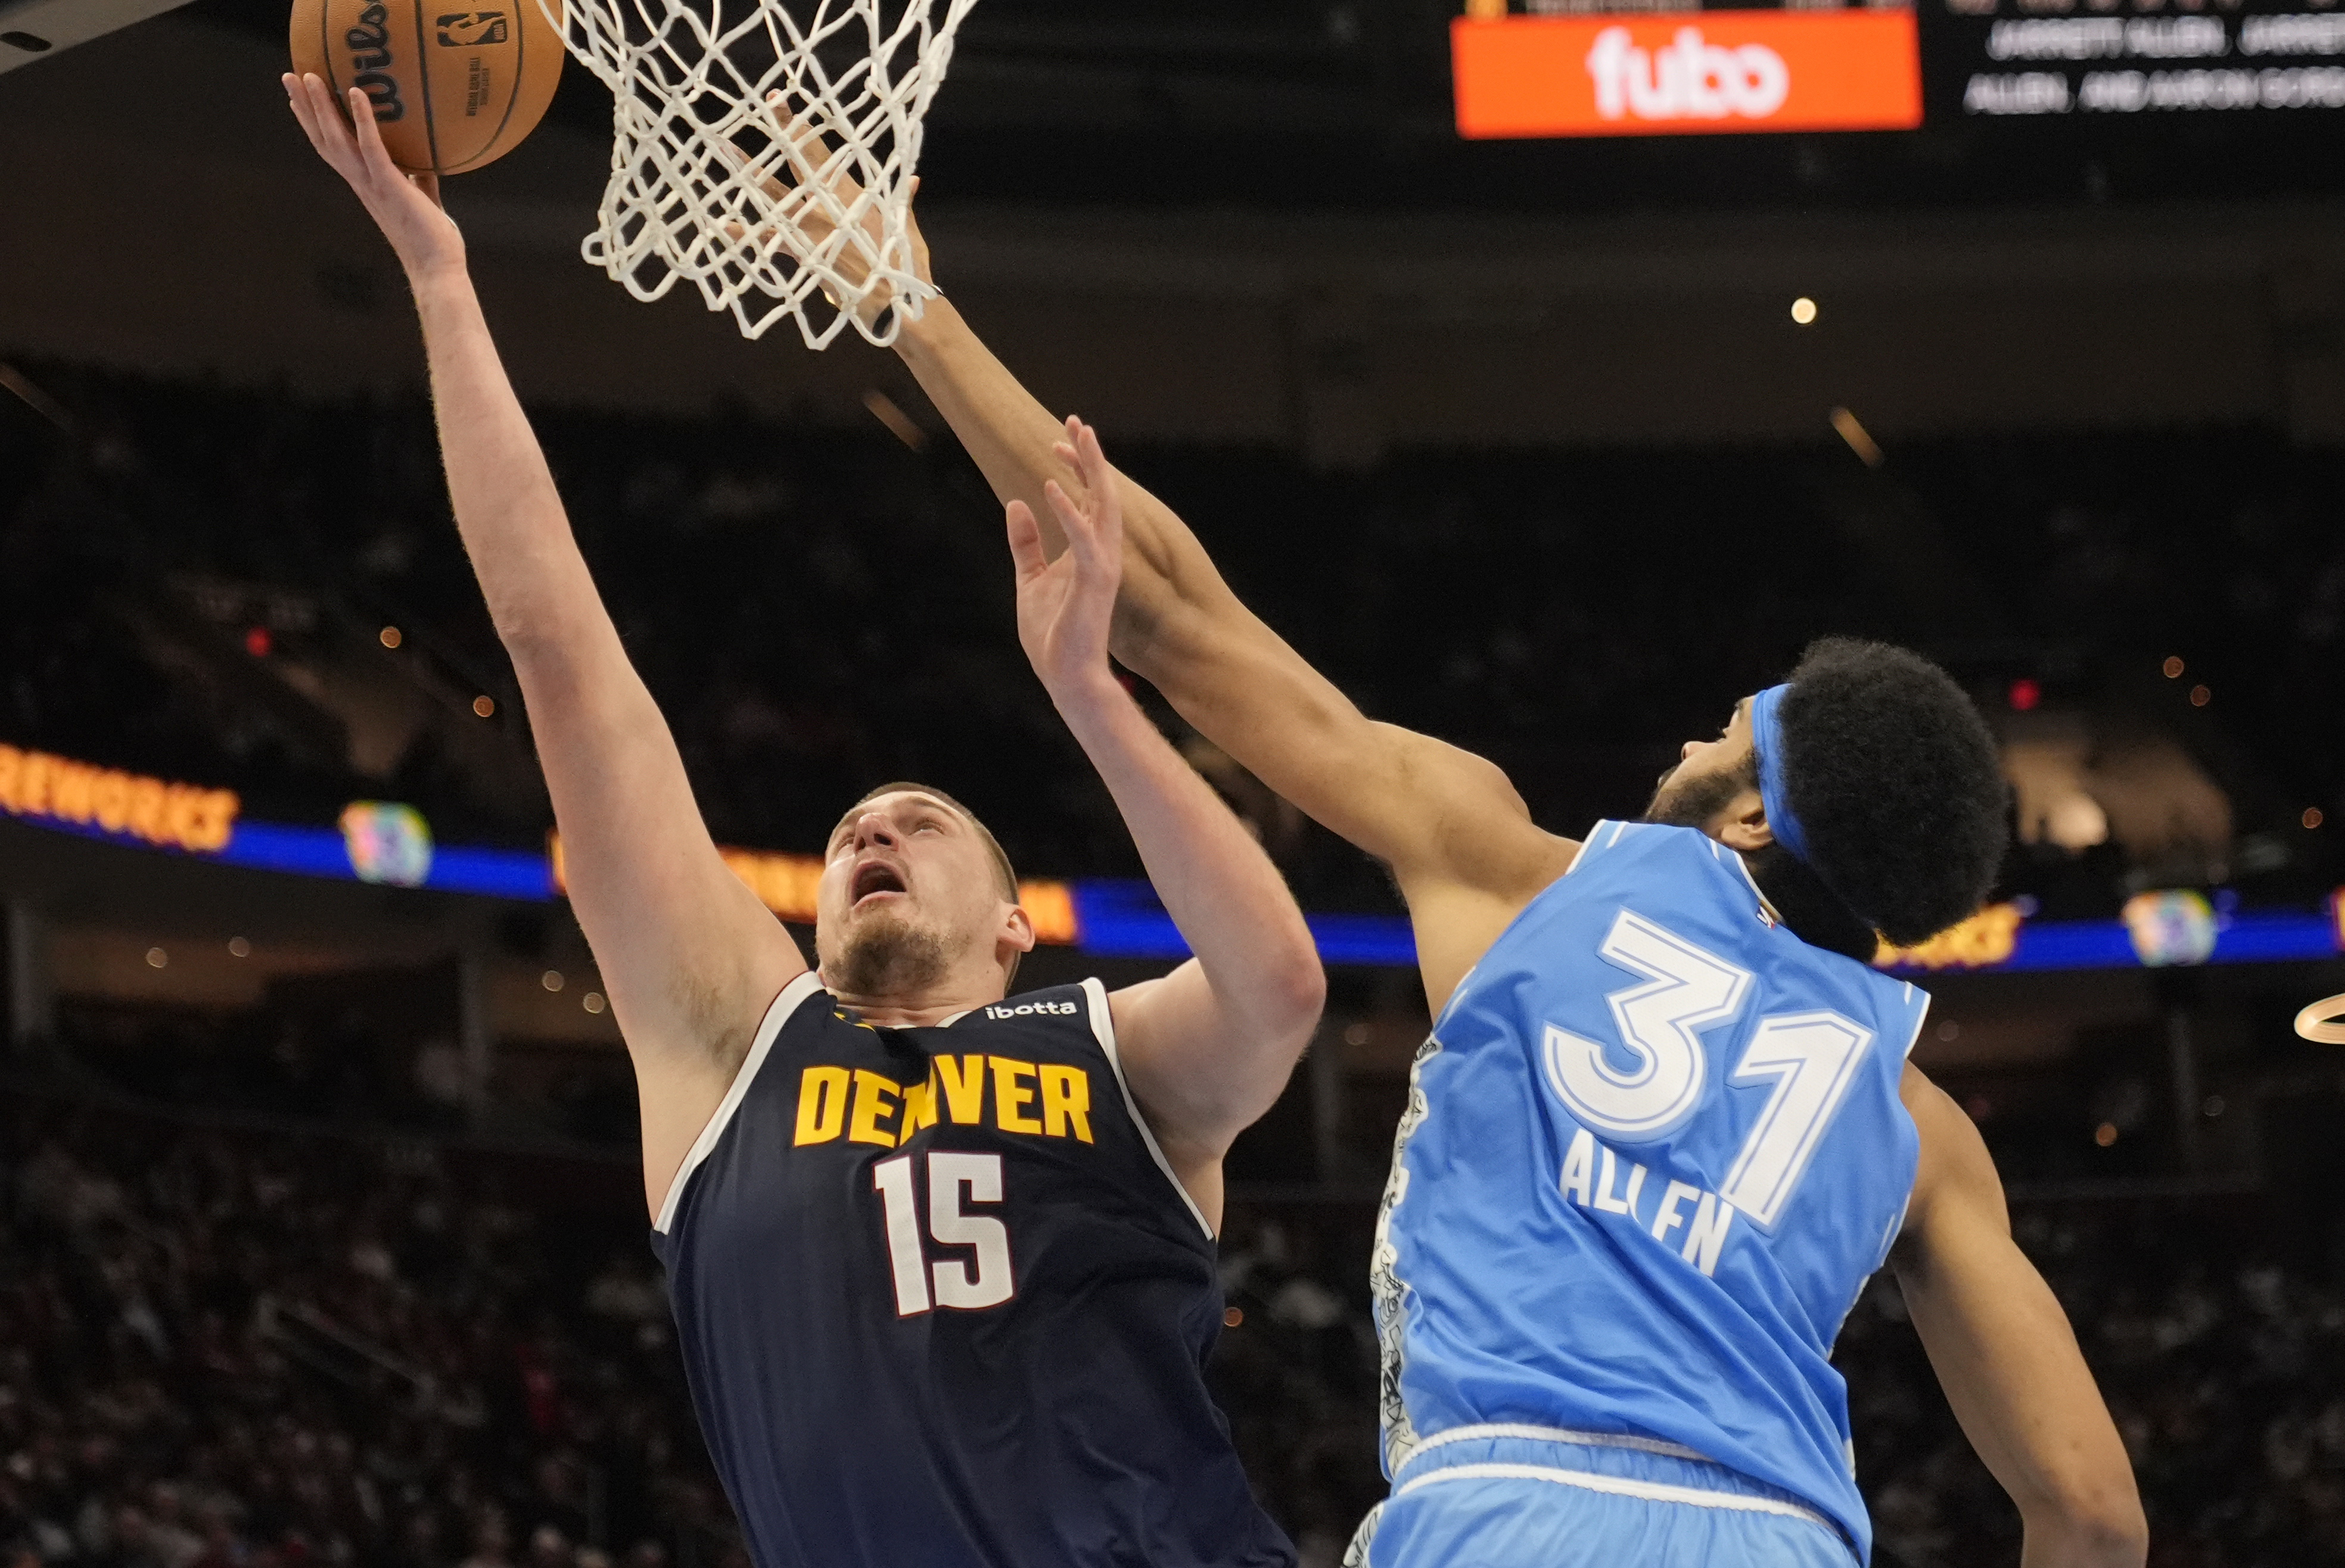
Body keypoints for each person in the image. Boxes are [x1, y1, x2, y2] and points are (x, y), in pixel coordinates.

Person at [780, 214, 2147, 1564]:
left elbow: (1168, 614)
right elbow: (2093, 1511)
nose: (1684, 741)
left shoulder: (1521, 875)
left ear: (1748, 815)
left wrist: (917, 311)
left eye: (1721, 734)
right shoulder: (1919, 1120)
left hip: (1507, 1501)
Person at [282, 76, 1323, 1568]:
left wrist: (1092, 698)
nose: (869, 831)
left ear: (1015, 926)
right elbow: (557, 650)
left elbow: (1277, 982)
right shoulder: (733, 1044)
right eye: (850, 835)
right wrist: (442, 278)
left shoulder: (1110, 1053)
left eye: (920, 823)